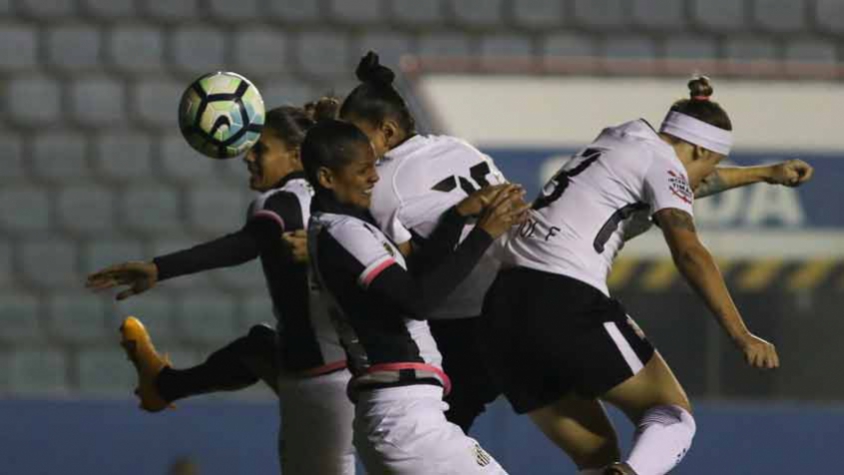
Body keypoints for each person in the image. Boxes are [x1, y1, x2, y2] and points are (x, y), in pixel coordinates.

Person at [479, 76, 814, 475]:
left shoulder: (623, 139)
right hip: (562, 296)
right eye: (711, 163)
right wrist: (741, 334)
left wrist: (763, 173)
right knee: (670, 412)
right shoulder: (664, 165)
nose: (707, 177)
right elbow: (689, 252)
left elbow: (688, 179)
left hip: (499, 309)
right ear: (699, 148)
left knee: (597, 456)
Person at [85, 101, 357, 475]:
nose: (248, 157)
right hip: (353, 364)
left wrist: (158, 268)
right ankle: (164, 386)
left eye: (260, 148)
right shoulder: (340, 191)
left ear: (296, 155)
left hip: (319, 379)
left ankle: (163, 387)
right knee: (258, 347)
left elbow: (246, 244)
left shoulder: (281, 201)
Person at [303, 118, 526, 474]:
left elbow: (415, 282)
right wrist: (483, 234)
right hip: (406, 418)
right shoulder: (344, 232)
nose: (374, 177)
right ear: (327, 177)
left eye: (374, 166)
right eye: (362, 170)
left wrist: (456, 217)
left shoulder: (340, 229)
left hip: (403, 415)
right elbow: (418, 301)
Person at [338, 52, 509, 433]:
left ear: (386, 132)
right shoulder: (461, 147)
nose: (349, 147)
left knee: (432, 438)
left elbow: (409, 282)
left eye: (355, 136)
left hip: (456, 328)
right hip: (508, 307)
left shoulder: (382, 188)